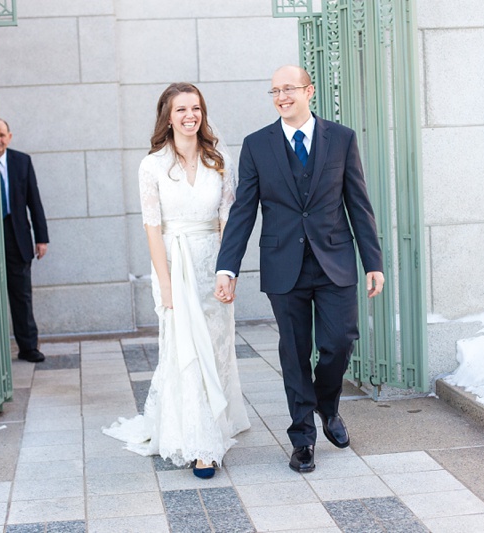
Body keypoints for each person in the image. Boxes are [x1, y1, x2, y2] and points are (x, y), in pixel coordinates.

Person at [214, 65, 385, 474]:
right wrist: (227, 267)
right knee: (293, 353)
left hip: (336, 261)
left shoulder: (341, 139)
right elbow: (243, 211)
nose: (281, 97)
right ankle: (303, 437)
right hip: (282, 265)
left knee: (339, 342)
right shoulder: (257, 145)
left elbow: (357, 203)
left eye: (288, 89)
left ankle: (328, 406)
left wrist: (372, 261)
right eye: (274, 91)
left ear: (309, 91)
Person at [103, 83, 250, 479]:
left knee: (214, 348)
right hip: (172, 264)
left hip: (211, 265)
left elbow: (227, 221)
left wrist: (227, 271)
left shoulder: (220, 160)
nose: (190, 116)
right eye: (181, 109)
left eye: (196, 108)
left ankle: (215, 423)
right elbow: (152, 229)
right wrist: (165, 284)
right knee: (184, 350)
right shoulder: (151, 166)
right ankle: (202, 445)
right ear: (168, 117)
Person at [0, 118, 49, 363]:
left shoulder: (21, 161)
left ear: (10, 136)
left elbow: (33, 201)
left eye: (2, 134)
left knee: (21, 296)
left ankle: (28, 347)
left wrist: (41, 238)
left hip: (17, 238)